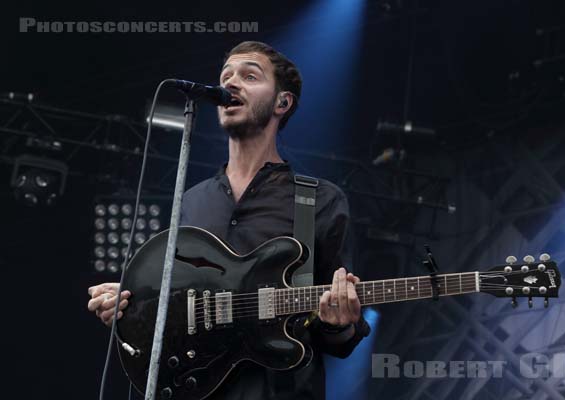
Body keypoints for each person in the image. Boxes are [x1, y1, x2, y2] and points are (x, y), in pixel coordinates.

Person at [88, 41, 370, 400]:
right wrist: (131, 304)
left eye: (250, 76)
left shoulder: (319, 201)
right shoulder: (188, 201)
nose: (232, 83)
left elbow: (341, 339)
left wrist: (339, 323)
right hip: (193, 388)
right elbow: (172, 306)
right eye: (226, 76)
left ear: (282, 103)